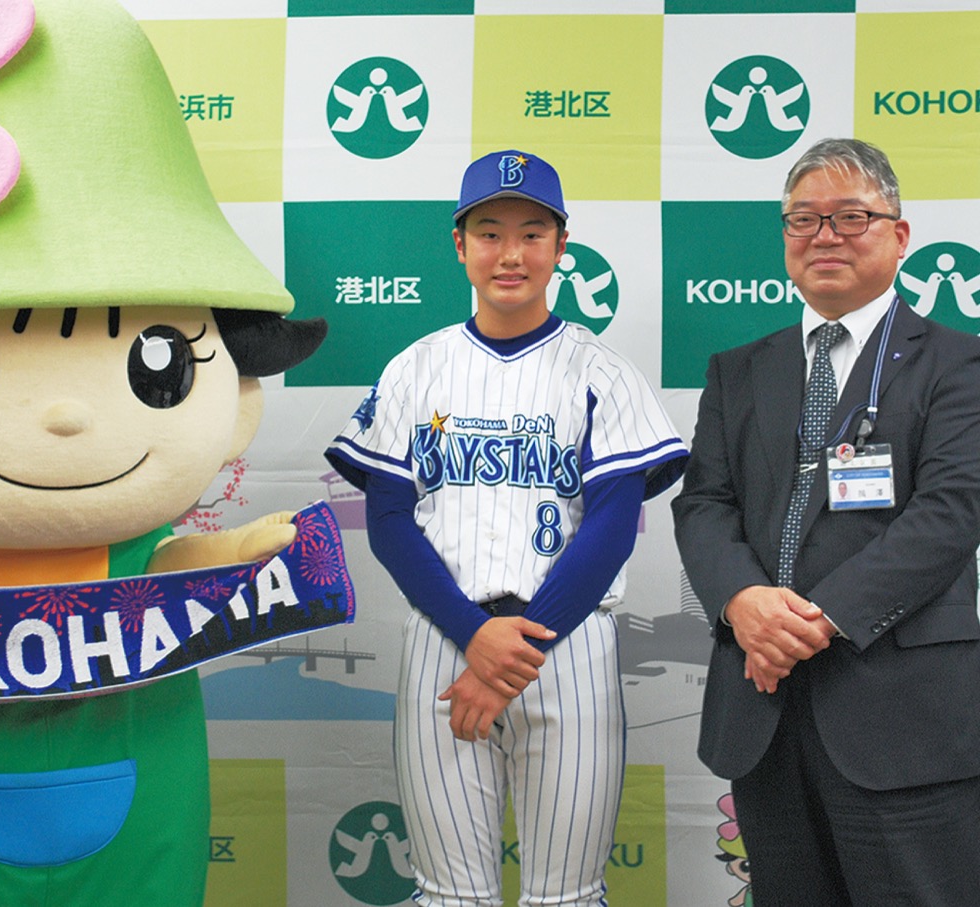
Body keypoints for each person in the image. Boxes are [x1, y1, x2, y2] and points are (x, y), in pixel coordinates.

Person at [326, 150, 687, 906]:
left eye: (532, 233)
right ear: (460, 245)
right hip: (445, 639)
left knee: (569, 896)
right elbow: (388, 520)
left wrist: (510, 656)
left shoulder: (602, 371)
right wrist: (475, 635)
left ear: (561, 245)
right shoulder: (415, 367)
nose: (511, 253)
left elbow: (614, 526)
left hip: (567, 645)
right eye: (490, 233)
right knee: (448, 895)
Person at [672, 137, 980, 904]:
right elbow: (704, 502)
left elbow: (950, 512)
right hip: (764, 716)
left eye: (850, 216)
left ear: (899, 235)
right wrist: (744, 601)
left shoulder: (958, 364)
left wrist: (813, 620)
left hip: (901, 720)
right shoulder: (738, 369)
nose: (825, 236)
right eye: (804, 219)